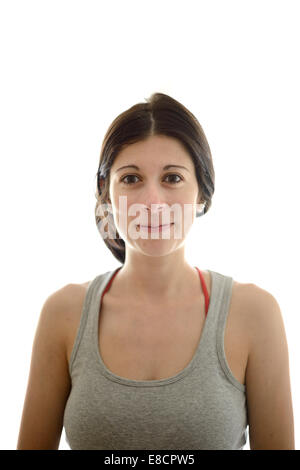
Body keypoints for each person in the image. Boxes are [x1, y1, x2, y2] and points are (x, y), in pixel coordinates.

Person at [17, 93, 295, 450]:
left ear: (202, 194)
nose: (152, 203)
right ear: (105, 194)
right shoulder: (63, 313)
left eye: (173, 178)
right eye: (131, 179)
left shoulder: (255, 314)